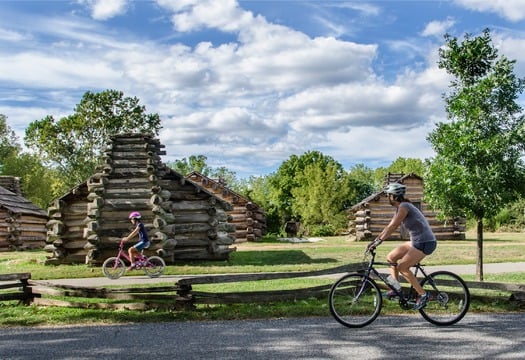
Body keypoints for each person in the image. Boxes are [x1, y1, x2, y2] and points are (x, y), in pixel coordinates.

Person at [369, 182, 437, 310]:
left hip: (425, 242)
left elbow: (394, 227)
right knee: (391, 257)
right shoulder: (400, 207)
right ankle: (395, 289)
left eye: (388, 195)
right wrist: (375, 241)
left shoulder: (404, 206)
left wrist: (378, 242)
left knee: (402, 267)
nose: (388, 198)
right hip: (416, 241)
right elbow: (388, 227)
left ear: (394, 196)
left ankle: (423, 294)